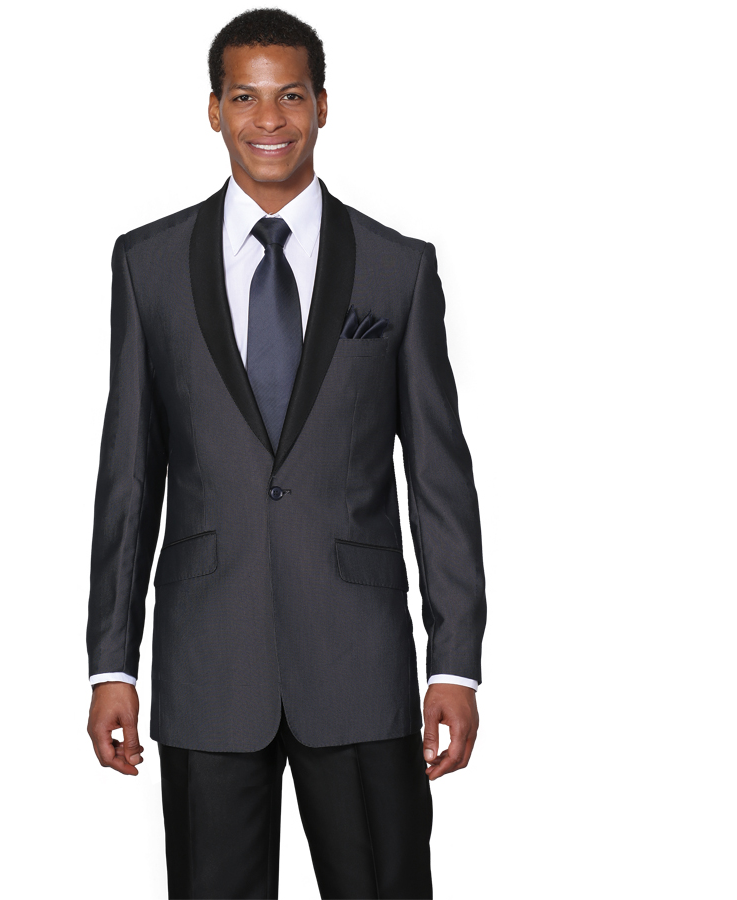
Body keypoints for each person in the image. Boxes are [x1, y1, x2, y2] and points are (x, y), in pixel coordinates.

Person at [85, 8, 486, 899]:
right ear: (214, 110)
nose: (269, 119)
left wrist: (454, 660)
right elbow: (129, 475)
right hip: (207, 662)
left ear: (323, 105)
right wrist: (112, 660)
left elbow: (438, 479)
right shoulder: (148, 265)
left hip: (359, 663)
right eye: (245, 97)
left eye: (290, 96)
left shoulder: (397, 268)